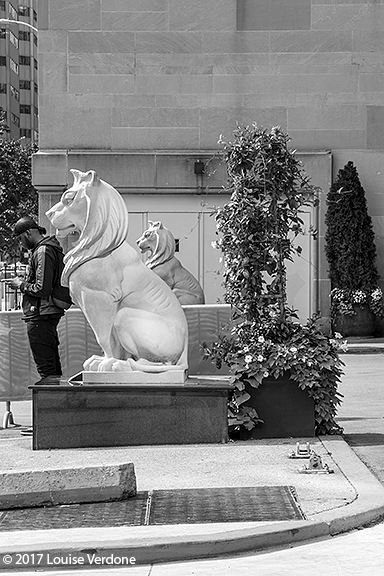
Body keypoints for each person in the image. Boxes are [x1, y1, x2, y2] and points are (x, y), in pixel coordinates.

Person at [4, 217, 72, 436]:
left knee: (46, 370)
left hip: (40, 315)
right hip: (47, 315)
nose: (22, 244)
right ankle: (56, 420)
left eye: (22, 239)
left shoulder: (42, 251)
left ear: (29, 233)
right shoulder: (51, 249)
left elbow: (41, 289)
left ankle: (46, 424)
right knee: (52, 369)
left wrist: (20, 284)